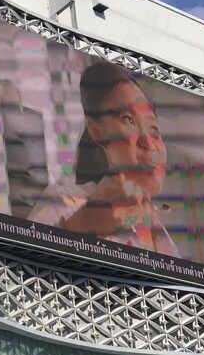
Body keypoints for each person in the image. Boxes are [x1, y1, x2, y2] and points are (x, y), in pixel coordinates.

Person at [28, 61, 179, 257]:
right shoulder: (64, 203)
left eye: (154, 130)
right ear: (97, 131)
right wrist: (84, 224)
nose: (149, 143)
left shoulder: (164, 235)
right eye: (129, 120)